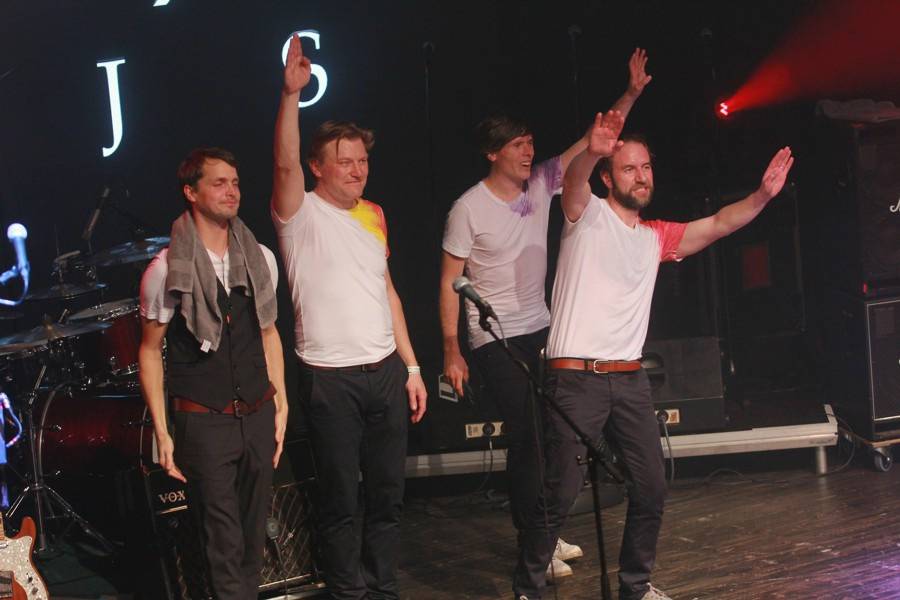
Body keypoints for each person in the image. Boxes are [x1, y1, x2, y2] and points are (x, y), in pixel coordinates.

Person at [513, 110, 794, 600]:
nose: (641, 176)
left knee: (651, 486)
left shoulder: (655, 237)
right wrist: (592, 150)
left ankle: (635, 586)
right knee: (560, 490)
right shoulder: (587, 214)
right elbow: (574, 180)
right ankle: (528, 587)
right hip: (576, 377)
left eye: (645, 167)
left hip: (628, 382)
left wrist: (761, 197)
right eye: (628, 168)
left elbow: (719, 223)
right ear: (608, 177)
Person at [440, 49, 653, 580]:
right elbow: (449, 281)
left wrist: (630, 93)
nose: (528, 152)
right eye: (517, 145)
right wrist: (451, 349)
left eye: (530, 142)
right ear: (492, 152)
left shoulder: (541, 182)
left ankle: (543, 534)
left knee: (555, 440)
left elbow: (596, 139)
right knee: (531, 439)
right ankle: (532, 543)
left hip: (543, 330)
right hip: (494, 338)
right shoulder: (467, 207)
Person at [270, 34, 427, 600]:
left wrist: (412, 367)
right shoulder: (298, 213)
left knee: (387, 498)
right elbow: (283, 161)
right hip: (329, 379)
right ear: (318, 167)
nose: (357, 170)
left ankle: (383, 590)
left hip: (384, 373)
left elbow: (388, 292)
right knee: (340, 502)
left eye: (362, 160)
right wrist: (291, 95)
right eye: (345, 162)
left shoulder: (375, 214)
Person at [138, 146, 289, 599]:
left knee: (253, 537)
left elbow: (268, 333)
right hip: (204, 421)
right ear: (191, 192)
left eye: (235, 182)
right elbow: (150, 351)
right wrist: (162, 432)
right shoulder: (166, 269)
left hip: (257, 413)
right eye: (219, 183)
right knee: (222, 542)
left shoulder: (259, 257)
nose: (231, 191)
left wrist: (281, 402)